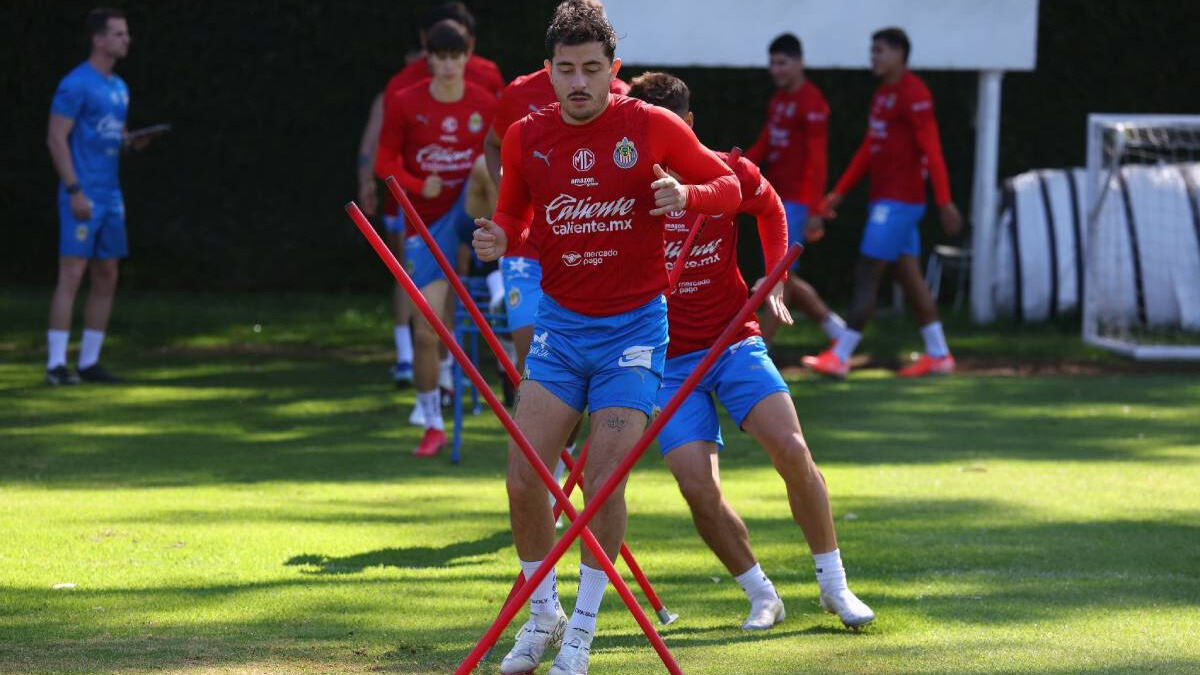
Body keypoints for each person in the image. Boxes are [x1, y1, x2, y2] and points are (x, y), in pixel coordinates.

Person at [471, 4, 740, 673]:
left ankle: (585, 632)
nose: (580, 82)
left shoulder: (650, 126)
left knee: (603, 479)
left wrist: (687, 196)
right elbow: (514, 217)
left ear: (614, 71)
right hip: (561, 332)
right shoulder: (525, 136)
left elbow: (729, 184)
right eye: (567, 70)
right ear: (549, 72)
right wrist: (498, 237)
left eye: (593, 69)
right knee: (523, 477)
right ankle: (544, 617)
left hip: (634, 332)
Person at [628, 70, 875, 632]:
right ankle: (761, 593)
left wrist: (775, 279)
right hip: (664, 359)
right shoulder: (624, 190)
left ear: (687, 126)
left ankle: (835, 587)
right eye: (646, 129)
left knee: (791, 447)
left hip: (734, 339)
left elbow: (770, 207)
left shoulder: (726, 170)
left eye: (668, 128)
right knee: (697, 486)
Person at [808, 27, 962, 378]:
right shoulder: (883, 96)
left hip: (899, 202)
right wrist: (838, 193)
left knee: (867, 269)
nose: (872, 57)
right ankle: (939, 354)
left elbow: (932, 149)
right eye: (872, 50)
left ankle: (841, 354)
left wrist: (945, 201)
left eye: (879, 50)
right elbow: (868, 150)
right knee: (909, 276)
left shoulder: (914, 92)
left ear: (899, 54)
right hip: (889, 200)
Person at [375, 20, 496, 456]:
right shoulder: (407, 102)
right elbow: (383, 159)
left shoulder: (486, 103)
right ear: (430, 58)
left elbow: (505, 162)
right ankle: (431, 421)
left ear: (468, 57)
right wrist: (411, 181)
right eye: (440, 58)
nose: (448, 66)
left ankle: (503, 268)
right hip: (423, 227)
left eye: (455, 57)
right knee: (428, 331)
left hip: (470, 219)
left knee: (486, 171)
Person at [45, 7, 158, 385]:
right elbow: (56, 138)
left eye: (126, 34)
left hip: (111, 197)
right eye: (119, 34)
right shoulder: (75, 84)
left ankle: (89, 362)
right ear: (98, 39)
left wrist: (135, 143)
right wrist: (75, 189)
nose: (126, 40)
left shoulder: (119, 88)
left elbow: (118, 138)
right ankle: (56, 364)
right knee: (72, 274)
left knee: (107, 274)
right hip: (82, 193)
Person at [745, 33, 847, 350]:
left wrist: (814, 209)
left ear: (799, 62)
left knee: (778, 276)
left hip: (798, 203)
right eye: (772, 63)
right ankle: (840, 333)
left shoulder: (812, 101)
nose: (776, 69)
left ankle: (763, 346)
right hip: (776, 199)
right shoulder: (779, 100)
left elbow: (818, 160)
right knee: (785, 274)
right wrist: (731, 170)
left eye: (782, 62)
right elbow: (765, 143)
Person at [356, 44, 424, 388]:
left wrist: (366, 182)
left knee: (406, 275)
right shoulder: (406, 93)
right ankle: (414, 359)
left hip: (407, 200)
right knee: (416, 275)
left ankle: (408, 358)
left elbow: (368, 148)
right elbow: (372, 150)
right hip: (409, 200)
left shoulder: (394, 92)